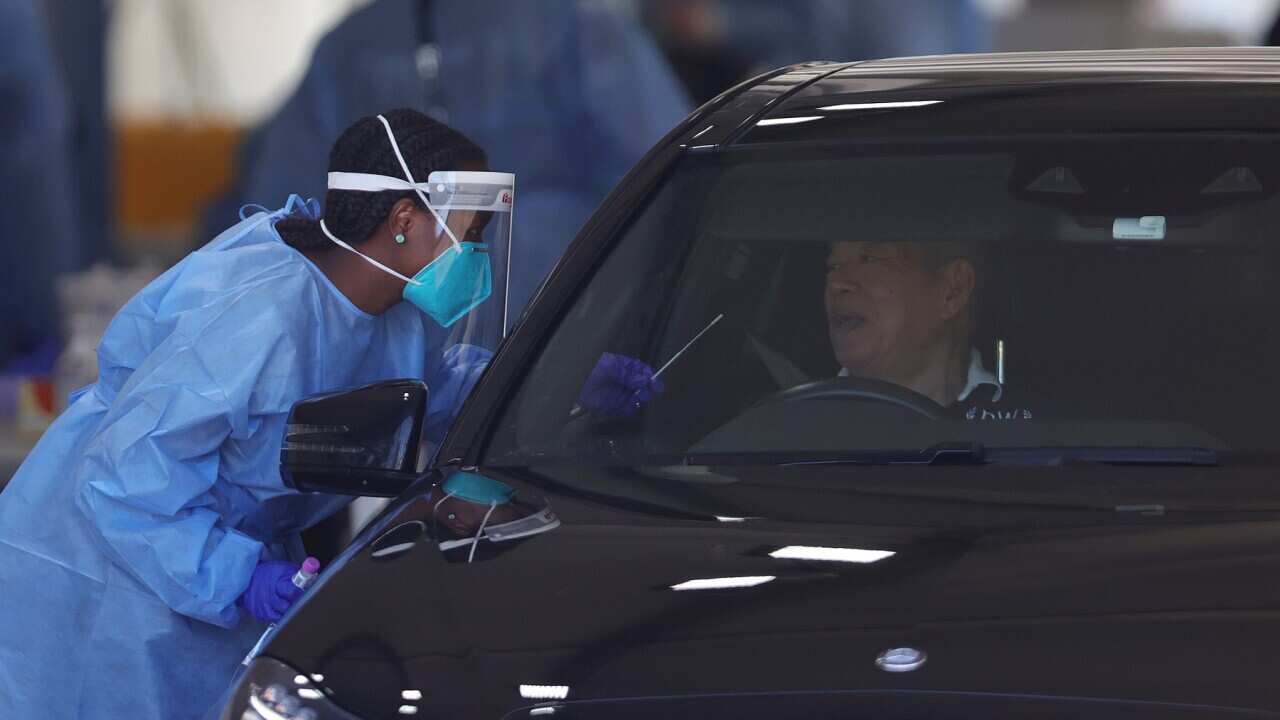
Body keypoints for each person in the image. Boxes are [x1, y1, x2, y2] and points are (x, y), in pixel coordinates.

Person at [0, 109, 513, 720]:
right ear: (404, 220)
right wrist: (235, 576)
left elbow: (429, 391)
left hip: (205, 561)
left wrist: (553, 382)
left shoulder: (389, 314)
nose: (476, 254)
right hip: (110, 575)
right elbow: (123, 483)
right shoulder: (262, 320)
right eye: (471, 232)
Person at [205, 0, 690, 321]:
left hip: (390, 350)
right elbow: (678, 180)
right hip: (559, 331)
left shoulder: (347, 49)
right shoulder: (580, 30)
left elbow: (274, 218)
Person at [824, 239, 1030, 420]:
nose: (836, 283)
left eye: (869, 259)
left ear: (952, 290)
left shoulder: (1026, 428)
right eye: (834, 266)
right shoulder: (807, 425)